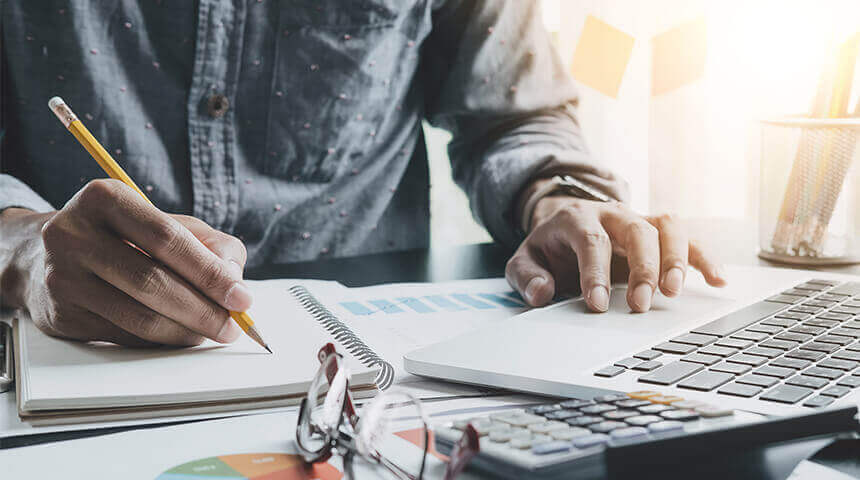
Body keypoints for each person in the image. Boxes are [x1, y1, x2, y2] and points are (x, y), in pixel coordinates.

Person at [0, 1, 725, 348]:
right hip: (63, 352)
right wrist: (23, 247)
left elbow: (511, 115)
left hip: (376, 374)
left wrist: (559, 198)